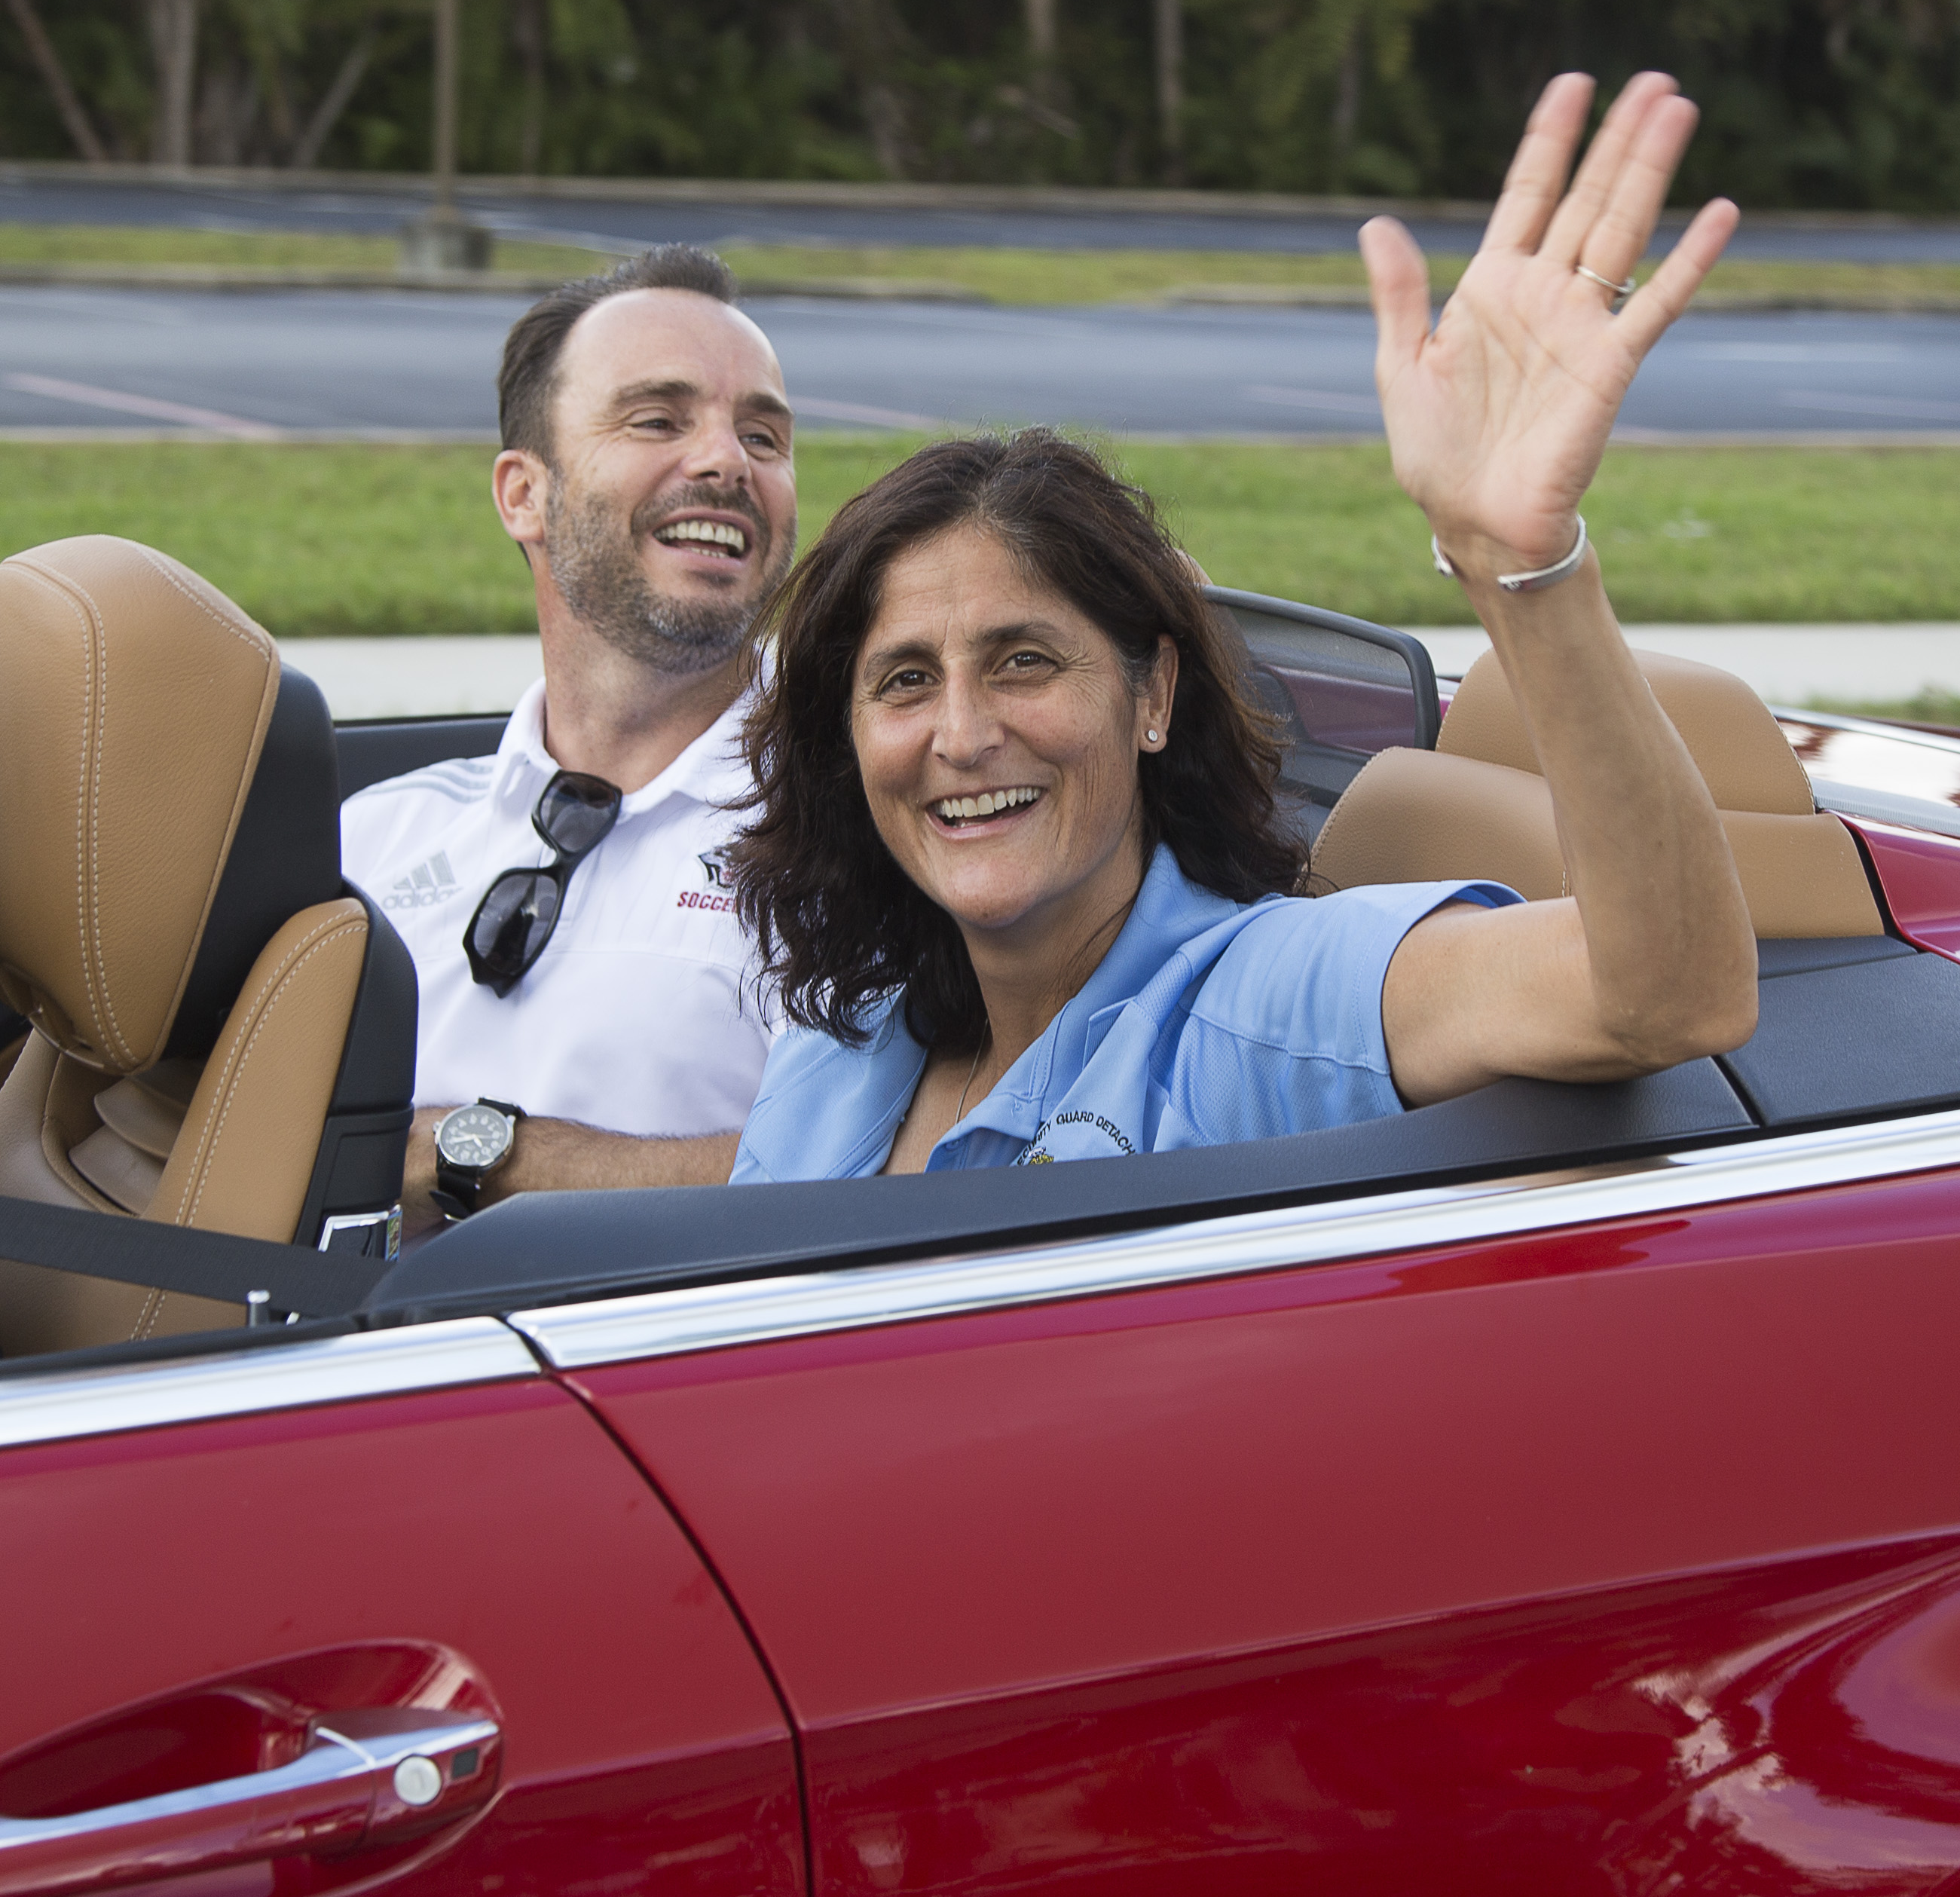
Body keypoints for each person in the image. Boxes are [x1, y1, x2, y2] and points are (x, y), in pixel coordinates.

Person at [726, 72, 1758, 1181]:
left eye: (1023, 661)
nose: (963, 734)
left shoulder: (1262, 997)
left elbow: (1661, 994)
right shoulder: (838, 1046)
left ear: (1153, 696)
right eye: (904, 680)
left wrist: (1520, 565)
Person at [340, 245, 792, 1227]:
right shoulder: (368, 840)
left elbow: (883, 1169)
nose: (728, 461)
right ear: (524, 495)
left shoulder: (860, 835)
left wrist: (491, 1155)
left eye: (763, 435)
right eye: (658, 420)